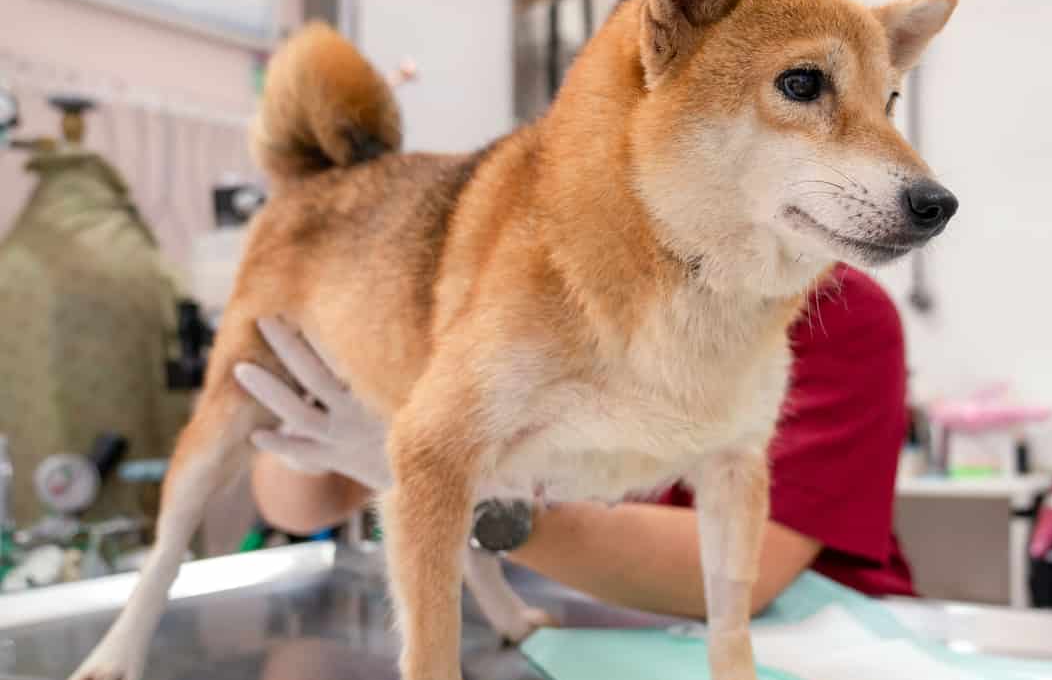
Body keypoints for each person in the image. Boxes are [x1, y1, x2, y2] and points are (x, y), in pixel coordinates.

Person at [241, 264, 916, 618]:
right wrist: (336, 399)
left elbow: (742, 572)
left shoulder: (834, 313)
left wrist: (460, 492)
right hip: (595, 651)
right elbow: (290, 504)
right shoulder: (527, 288)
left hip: (815, 664)